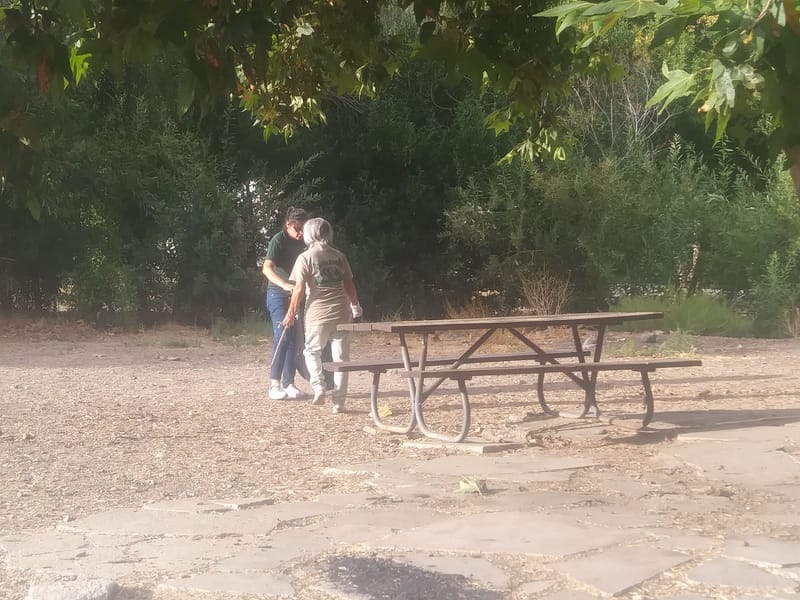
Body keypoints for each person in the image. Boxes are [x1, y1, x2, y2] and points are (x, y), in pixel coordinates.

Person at [282, 218, 362, 414]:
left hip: (317, 313)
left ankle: (318, 385)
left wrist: (290, 313)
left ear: (309, 234)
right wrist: (355, 306)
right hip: (341, 312)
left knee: (311, 351)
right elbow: (349, 285)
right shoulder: (339, 256)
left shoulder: (305, 257)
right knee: (341, 358)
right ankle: (339, 402)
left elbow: (299, 289)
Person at [262, 206, 309, 400]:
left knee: (294, 339)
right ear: (288, 224)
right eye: (297, 229)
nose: (300, 233)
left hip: (298, 293)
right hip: (277, 293)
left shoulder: (305, 242)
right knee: (282, 335)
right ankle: (275, 384)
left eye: (303, 229)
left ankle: (289, 383)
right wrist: (283, 284)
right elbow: (266, 268)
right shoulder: (278, 240)